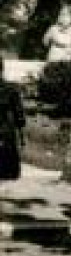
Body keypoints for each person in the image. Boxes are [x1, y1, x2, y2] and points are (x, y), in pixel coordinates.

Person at [0, 51, 26, 184]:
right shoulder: (11, 88)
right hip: (6, 123)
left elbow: (18, 112)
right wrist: (22, 133)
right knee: (7, 146)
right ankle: (7, 171)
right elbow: (19, 112)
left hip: (6, 122)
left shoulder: (12, 88)